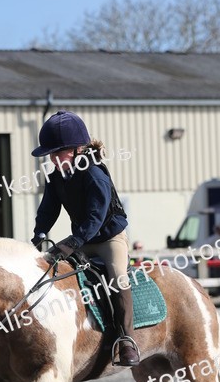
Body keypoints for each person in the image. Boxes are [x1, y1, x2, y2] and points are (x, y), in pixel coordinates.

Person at [30, 110, 140, 366]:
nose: (54, 159)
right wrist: (40, 233)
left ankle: (127, 340)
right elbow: (49, 208)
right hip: (82, 238)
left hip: (109, 239)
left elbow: (95, 219)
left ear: (79, 149)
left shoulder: (94, 175)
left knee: (116, 278)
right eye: (52, 155)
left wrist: (69, 244)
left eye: (59, 153)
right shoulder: (56, 176)